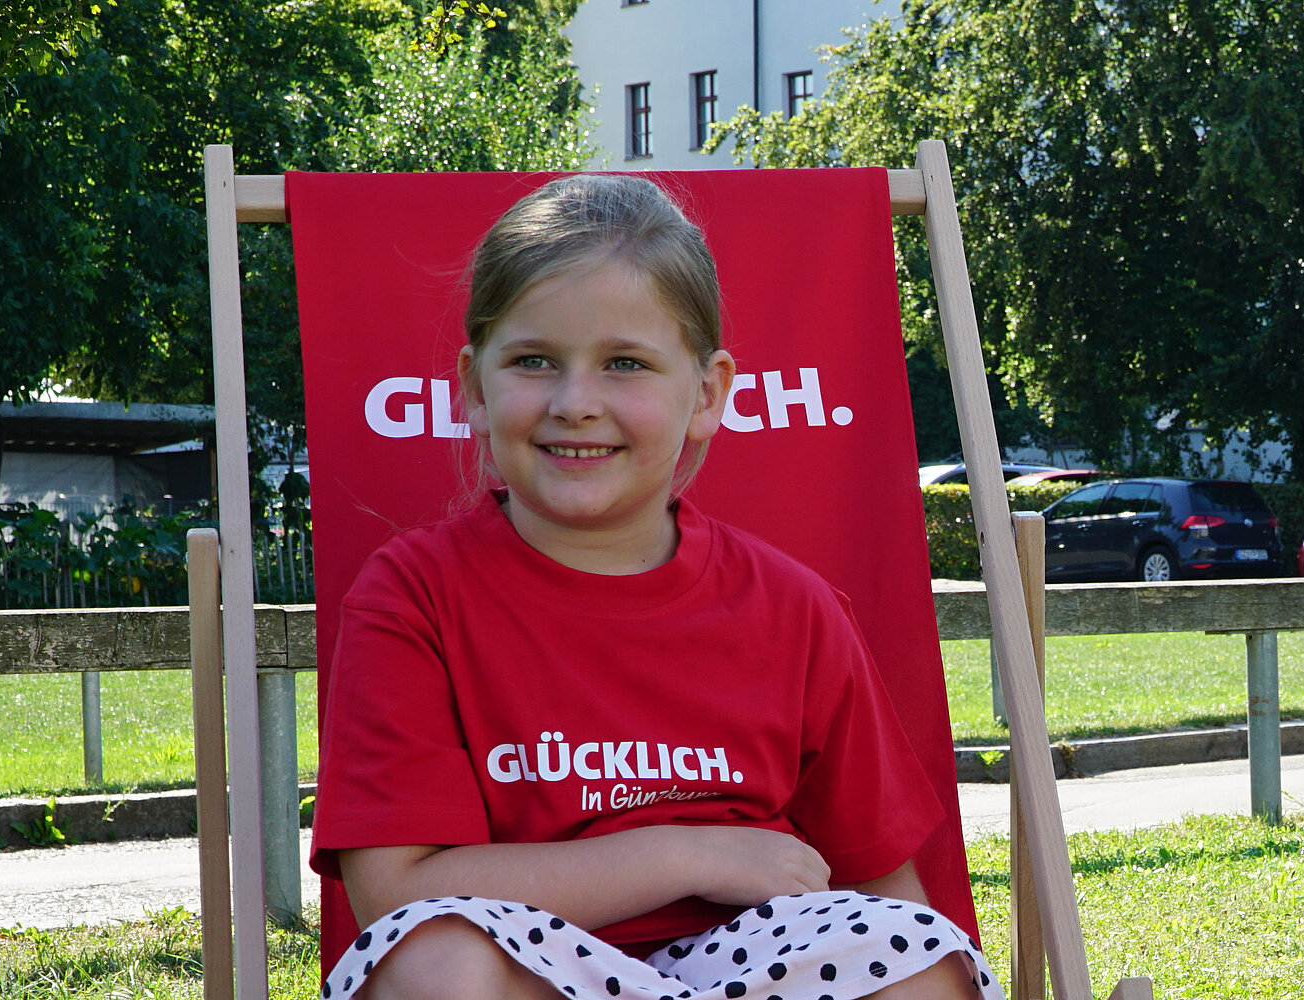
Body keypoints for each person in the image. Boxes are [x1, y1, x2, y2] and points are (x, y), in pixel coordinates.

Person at [309, 173, 993, 1000]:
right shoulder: (415, 596)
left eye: (625, 363)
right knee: (436, 957)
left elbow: (892, 898)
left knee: (916, 955)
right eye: (533, 362)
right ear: (474, 388)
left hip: (756, 967)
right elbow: (396, 895)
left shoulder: (792, 609)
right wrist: (688, 852)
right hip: (529, 969)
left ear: (707, 394)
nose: (575, 403)